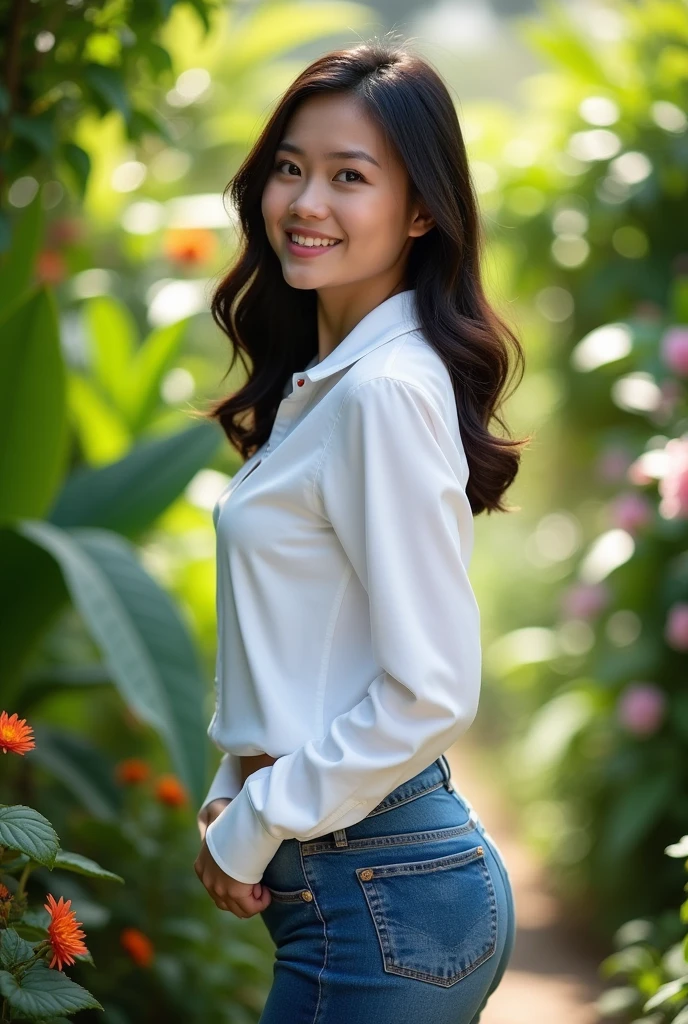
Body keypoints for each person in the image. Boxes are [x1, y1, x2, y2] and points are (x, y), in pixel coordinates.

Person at [194, 33, 529, 1024]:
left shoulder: (382, 392)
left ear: (420, 208)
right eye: (290, 169)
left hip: (379, 888)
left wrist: (258, 813)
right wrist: (237, 779)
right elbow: (308, 637)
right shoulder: (335, 385)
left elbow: (429, 688)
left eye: (350, 176)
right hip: (366, 884)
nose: (305, 203)